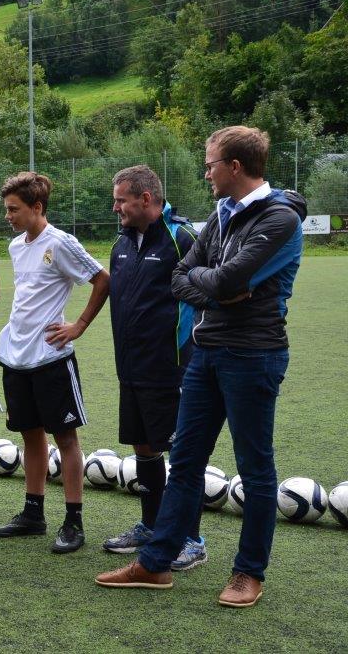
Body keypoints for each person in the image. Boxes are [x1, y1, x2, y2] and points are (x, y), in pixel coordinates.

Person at [96, 126, 306, 608]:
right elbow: (180, 278)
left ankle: (248, 573)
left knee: (255, 468)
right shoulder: (220, 215)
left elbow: (226, 277)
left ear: (235, 166)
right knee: (186, 460)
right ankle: (156, 562)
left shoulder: (279, 219)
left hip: (253, 355)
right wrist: (217, 288)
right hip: (206, 351)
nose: (205, 173)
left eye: (210, 164)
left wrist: (213, 282)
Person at [0, 172, 109, 554]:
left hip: (50, 357)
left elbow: (102, 279)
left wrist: (79, 325)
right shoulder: (16, 246)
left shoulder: (60, 243)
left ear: (37, 207)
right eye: (7, 209)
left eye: (14, 209)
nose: (8, 216)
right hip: (16, 356)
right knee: (30, 435)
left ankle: (73, 521)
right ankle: (33, 514)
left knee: (66, 438)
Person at [101, 165, 207, 571]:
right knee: (143, 446)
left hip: (172, 367)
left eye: (121, 200)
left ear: (146, 198)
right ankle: (151, 525)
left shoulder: (183, 238)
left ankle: (191, 539)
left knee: (182, 454)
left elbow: (207, 292)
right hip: (131, 367)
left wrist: (186, 348)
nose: (116, 208)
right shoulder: (121, 242)